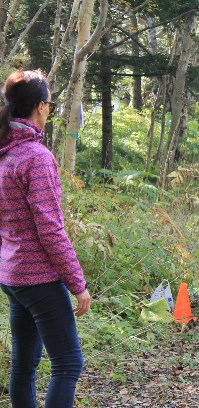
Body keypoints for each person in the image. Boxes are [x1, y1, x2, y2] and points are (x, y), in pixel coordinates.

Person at [0, 69, 91, 407]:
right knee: (68, 364)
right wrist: (77, 283)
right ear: (40, 107)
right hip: (38, 278)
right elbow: (50, 230)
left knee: (24, 364)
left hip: (12, 275)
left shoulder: (5, 153)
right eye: (50, 104)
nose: (50, 109)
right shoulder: (36, 158)